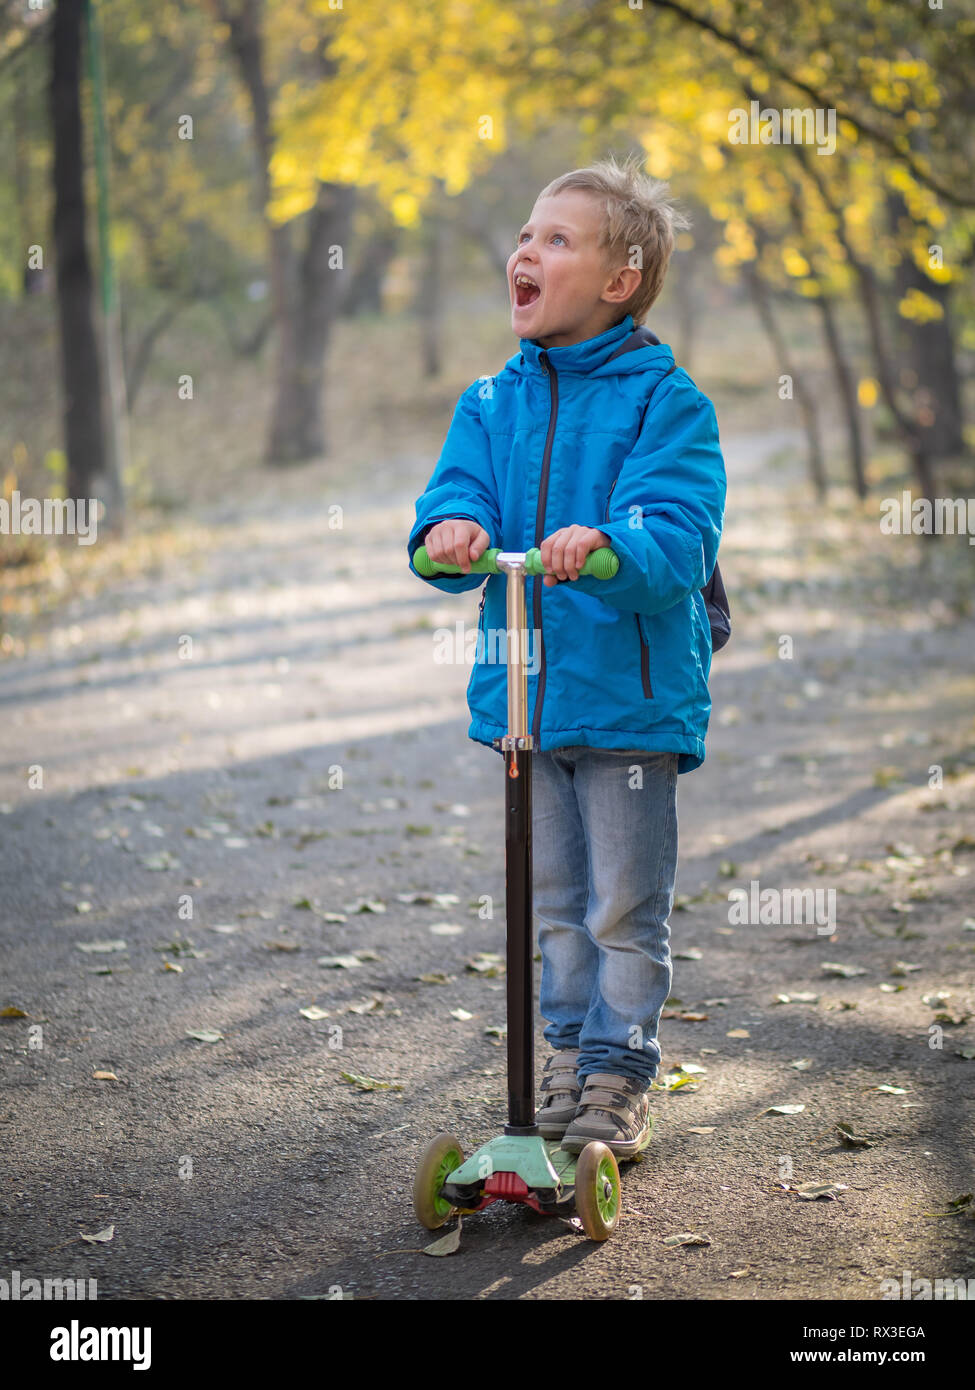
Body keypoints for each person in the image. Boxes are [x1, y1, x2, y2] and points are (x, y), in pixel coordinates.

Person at [407, 154, 727, 1157]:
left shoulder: (666, 403)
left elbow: (676, 540)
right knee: (551, 905)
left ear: (619, 281)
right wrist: (454, 530)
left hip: (629, 704)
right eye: (524, 235)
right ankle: (566, 1059)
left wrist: (607, 545)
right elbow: (449, 506)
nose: (525, 252)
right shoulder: (490, 403)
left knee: (624, 906)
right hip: (526, 707)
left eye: (556, 239)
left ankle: (619, 1070)